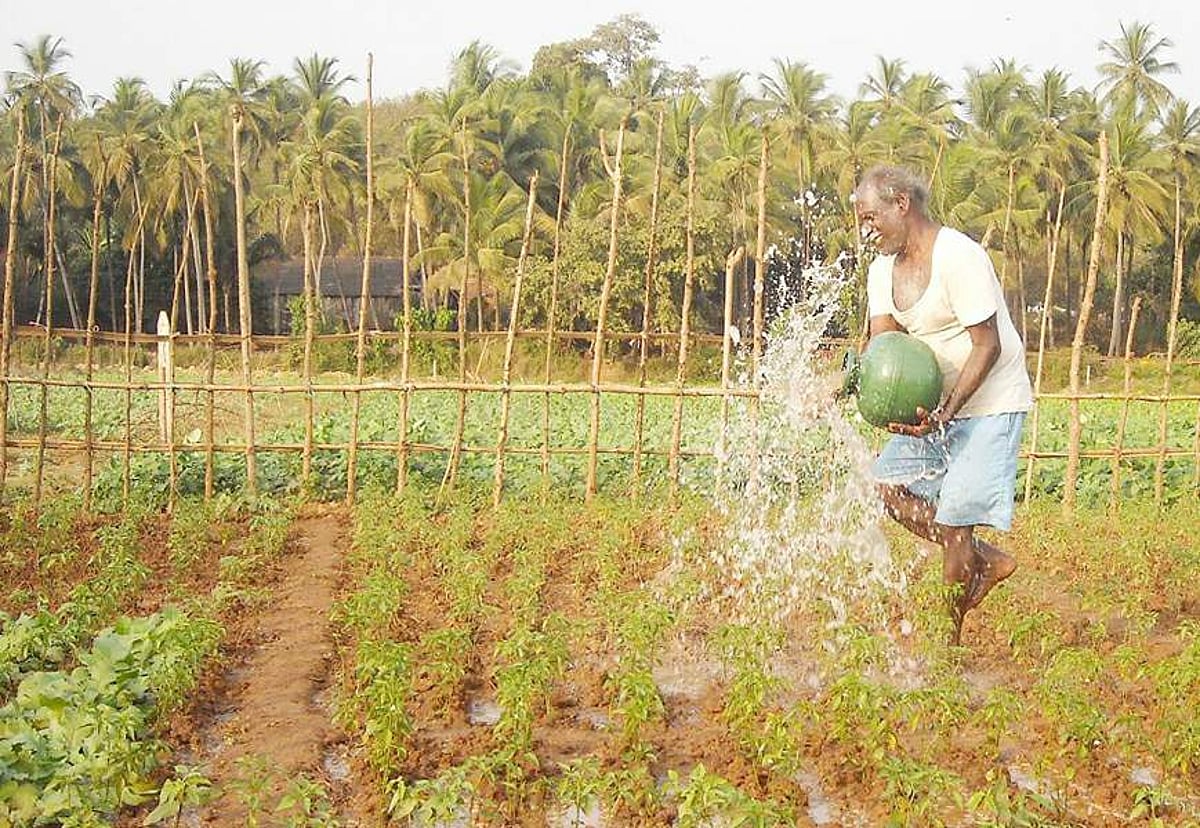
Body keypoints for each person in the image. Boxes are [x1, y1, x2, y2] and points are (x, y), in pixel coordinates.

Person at [853, 164, 1033, 645]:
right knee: (884, 486)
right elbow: (882, 346)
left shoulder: (958, 256)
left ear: (901, 205)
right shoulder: (881, 272)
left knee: (954, 521)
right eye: (860, 221)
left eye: (871, 217)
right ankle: (985, 559)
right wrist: (841, 384)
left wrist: (948, 412)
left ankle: (946, 650)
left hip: (989, 399)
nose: (865, 230)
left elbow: (988, 345)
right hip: (938, 405)